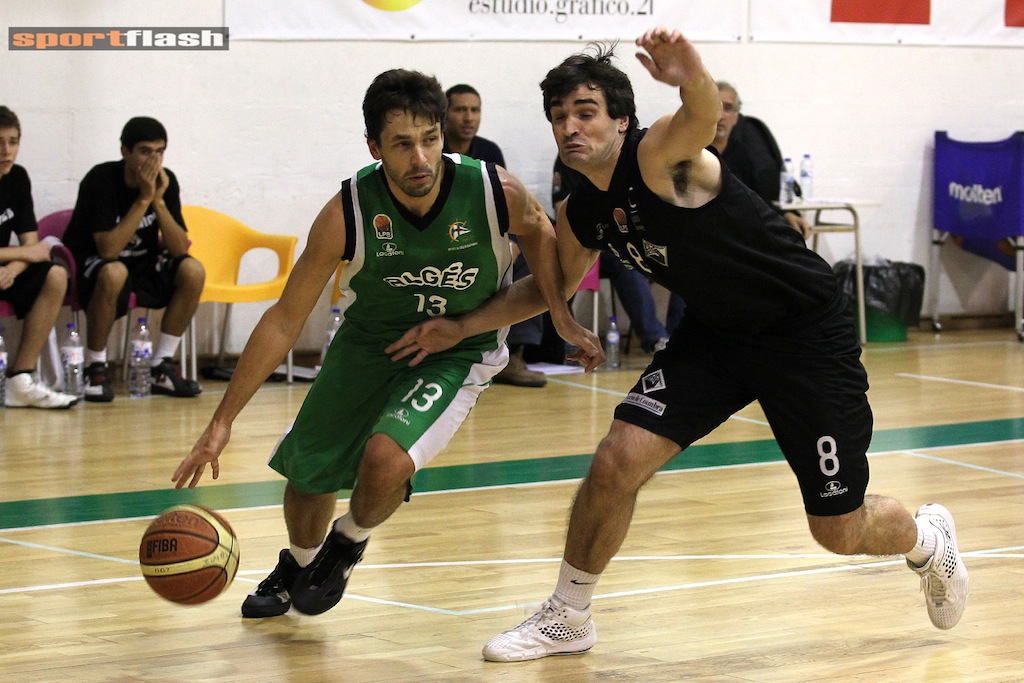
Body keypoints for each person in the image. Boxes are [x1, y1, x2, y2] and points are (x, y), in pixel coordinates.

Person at [389, 28, 969, 662]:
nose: (569, 128)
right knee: (617, 459)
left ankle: (927, 541)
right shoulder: (584, 210)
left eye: (585, 112)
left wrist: (689, 68)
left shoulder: (660, 156)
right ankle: (568, 615)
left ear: (622, 119)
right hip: (717, 336)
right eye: (558, 117)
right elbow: (545, 284)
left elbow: (699, 113)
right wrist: (460, 326)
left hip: (803, 334)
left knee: (838, 528)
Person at [171, 69, 601, 620]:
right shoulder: (347, 211)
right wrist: (222, 421)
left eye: (430, 139)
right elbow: (283, 319)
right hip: (369, 342)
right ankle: (301, 563)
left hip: (457, 351)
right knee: (307, 481)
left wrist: (560, 319)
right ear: (375, 147)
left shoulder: (496, 191)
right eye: (402, 144)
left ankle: (347, 542)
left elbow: (543, 244)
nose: (420, 159)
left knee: (382, 458)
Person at [63, 116, 204, 402]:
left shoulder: (167, 181)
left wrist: (159, 201)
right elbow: (108, 250)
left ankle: (160, 366)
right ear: (125, 151)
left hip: (142, 264)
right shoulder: (100, 180)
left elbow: (179, 248)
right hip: (94, 264)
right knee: (114, 271)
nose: (153, 160)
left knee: (193, 270)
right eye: (144, 151)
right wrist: (143, 199)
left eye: (159, 152)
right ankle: (95, 366)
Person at [444, 84, 547, 387]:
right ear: (445, 114)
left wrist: (512, 243)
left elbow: (506, 206)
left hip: (484, 237)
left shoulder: (489, 152)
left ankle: (514, 356)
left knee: (532, 254)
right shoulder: (433, 151)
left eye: (474, 110)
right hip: (447, 239)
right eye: (460, 109)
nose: (468, 117)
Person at [0, 105, 78, 409]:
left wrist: (14, 269)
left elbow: (33, 246)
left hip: (6, 267)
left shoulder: (17, 178)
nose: (6, 151)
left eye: (13, 141)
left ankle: (21, 377)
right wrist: (24, 255)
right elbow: (30, 249)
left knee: (55, 273)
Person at [553, 157, 670, 354]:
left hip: (616, 243)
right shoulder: (569, 157)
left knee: (626, 262)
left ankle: (655, 338)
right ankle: (564, 341)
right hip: (582, 240)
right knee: (560, 268)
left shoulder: (628, 158)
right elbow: (560, 210)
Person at [713, 81, 811, 240]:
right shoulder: (691, 152)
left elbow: (757, 198)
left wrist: (786, 215)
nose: (721, 115)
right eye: (715, 107)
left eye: (728, 108)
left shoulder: (740, 152)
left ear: (736, 118)